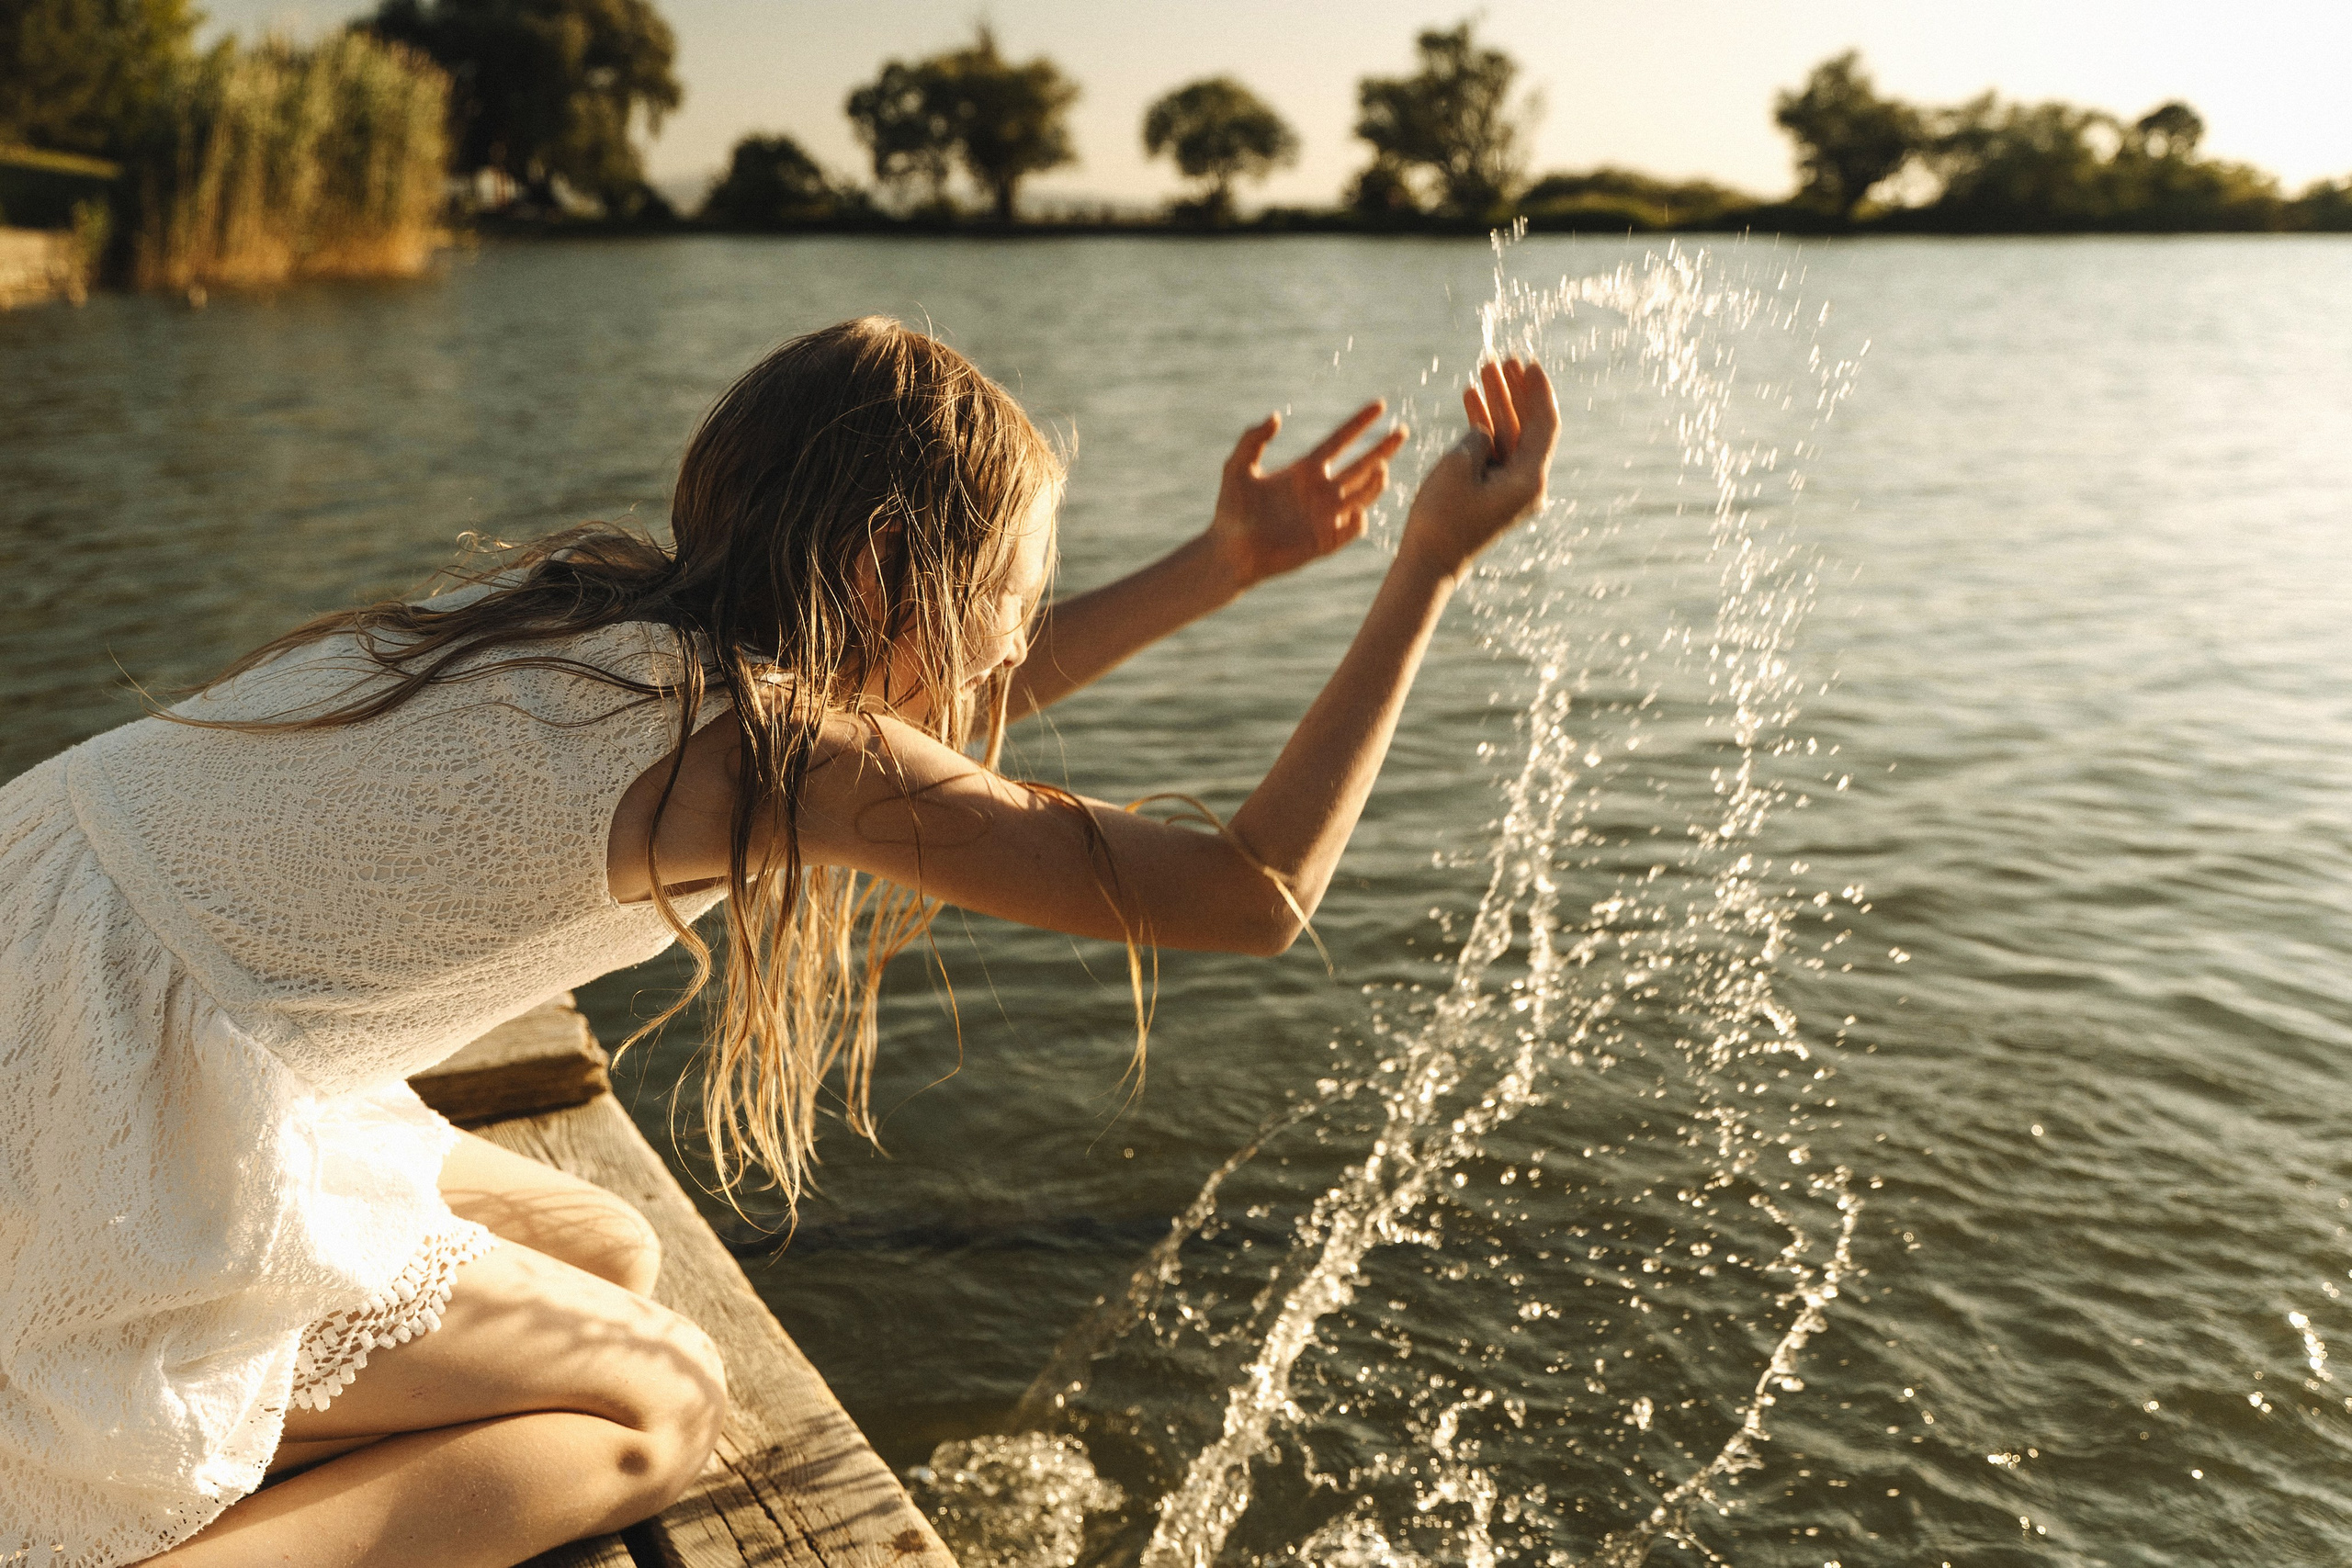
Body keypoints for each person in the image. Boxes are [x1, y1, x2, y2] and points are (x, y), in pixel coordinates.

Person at [0, 316, 1557, 1567]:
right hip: (101, 1109)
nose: (1018, 635)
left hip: (56, 971)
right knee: (659, 1405)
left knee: (606, 1247)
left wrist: (1224, 568)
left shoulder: (604, 615)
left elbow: (921, 741)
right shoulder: (765, 747)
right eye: (1012, 601)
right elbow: (1251, 893)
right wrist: (1424, 568)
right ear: (882, 577)